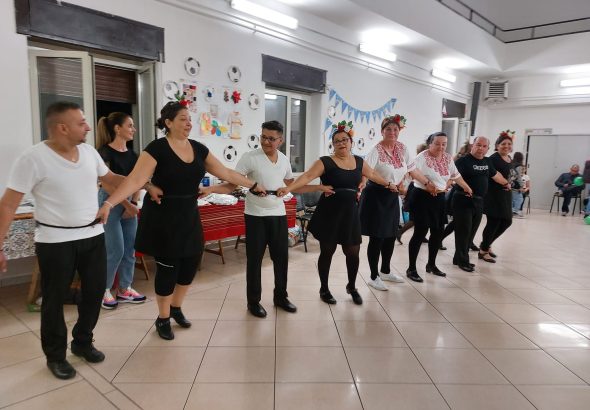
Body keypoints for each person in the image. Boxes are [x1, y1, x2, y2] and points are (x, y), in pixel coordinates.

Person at [96, 101, 265, 340]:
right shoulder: (157, 148)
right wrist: (109, 204)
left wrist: (253, 184)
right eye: (183, 119)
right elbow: (134, 180)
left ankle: (176, 307)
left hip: (189, 214)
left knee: (190, 264)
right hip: (163, 216)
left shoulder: (198, 148)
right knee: (168, 269)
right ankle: (163, 317)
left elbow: (226, 173)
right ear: (168, 122)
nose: (189, 123)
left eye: (189, 119)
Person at [0, 102, 125, 380]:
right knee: (54, 300)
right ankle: (55, 356)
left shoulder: (89, 153)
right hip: (55, 241)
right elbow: (8, 204)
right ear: (62, 128)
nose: (88, 127)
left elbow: (110, 178)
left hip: (92, 235)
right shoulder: (33, 158)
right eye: (81, 123)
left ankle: (82, 342)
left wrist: (144, 180)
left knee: (94, 293)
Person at [201, 120, 330, 318]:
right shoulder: (250, 157)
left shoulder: (284, 160)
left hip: (278, 215)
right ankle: (253, 302)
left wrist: (318, 187)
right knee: (254, 260)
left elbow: (294, 186)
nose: (266, 142)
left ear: (281, 140)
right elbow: (231, 184)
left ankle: (281, 297)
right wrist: (210, 189)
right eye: (263, 137)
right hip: (255, 216)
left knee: (281, 259)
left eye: (271, 138)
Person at [277, 121, 396, 305]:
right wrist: (289, 188)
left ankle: (352, 287)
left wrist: (388, 184)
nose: (341, 143)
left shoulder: (359, 162)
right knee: (327, 251)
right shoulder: (325, 161)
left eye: (344, 140)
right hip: (330, 213)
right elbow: (307, 176)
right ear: (333, 144)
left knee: (353, 252)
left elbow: (372, 174)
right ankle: (324, 289)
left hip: (350, 213)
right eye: (337, 141)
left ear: (351, 142)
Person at [358, 115, 430, 291]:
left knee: (390, 235)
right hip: (376, 195)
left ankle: (385, 271)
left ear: (399, 131)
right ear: (382, 131)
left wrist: (427, 184)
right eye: (388, 129)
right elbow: (366, 171)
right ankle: (373, 276)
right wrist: (361, 184)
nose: (392, 132)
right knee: (377, 236)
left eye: (395, 129)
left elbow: (412, 169)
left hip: (392, 195)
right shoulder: (376, 150)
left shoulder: (402, 148)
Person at [405, 132, 473, 282]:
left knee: (437, 233)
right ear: (430, 143)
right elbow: (411, 173)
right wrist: (426, 183)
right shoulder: (421, 157)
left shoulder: (447, 158)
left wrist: (466, 186)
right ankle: (411, 268)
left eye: (444, 144)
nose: (441, 147)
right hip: (422, 197)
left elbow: (455, 175)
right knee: (420, 233)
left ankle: (431, 264)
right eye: (437, 143)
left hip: (439, 198)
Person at [96, 113, 146, 309]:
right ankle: (104, 290)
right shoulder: (104, 153)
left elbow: (139, 181)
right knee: (115, 250)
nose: (134, 129)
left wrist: (134, 202)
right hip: (109, 203)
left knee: (130, 249)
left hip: (129, 204)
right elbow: (107, 184)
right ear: (117, 128)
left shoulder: (134, 155)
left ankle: (125, 289)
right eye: (130, 125)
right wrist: (127, 205)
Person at [452, 137, 508, 272]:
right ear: (473, 145)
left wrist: (506, 183)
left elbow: (495, 175)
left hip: (479, 201)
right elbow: (453, 176)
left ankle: (458, 258)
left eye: (484, 146)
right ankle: (463, 261)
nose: (480, 148)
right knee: (463, 232)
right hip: (463, 199)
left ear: (488, 148)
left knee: (471, 232)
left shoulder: (487, 161)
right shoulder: (463, 161)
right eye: (478, 145)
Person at [479, 133, 515, 262]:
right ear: (497, 146)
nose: (506, 146)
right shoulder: (493, 159)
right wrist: (504, 183)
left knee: (507, 221)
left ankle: (486, 244)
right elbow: (492, 175)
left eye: (509, 144)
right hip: (493, 195)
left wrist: (511, 183)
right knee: (493, 222)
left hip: (506, 194)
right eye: (503, 144)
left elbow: (511, 175)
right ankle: (483, 250)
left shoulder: (509, 158)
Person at [511, 152, 526, 218]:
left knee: (512, 199)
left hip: (511, 183)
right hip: (516, 185)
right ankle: (514, 212)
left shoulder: (511, 164)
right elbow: (519, 177)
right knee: (520, 199)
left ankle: (511, 212)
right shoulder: (519, 166)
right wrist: (521, 186)